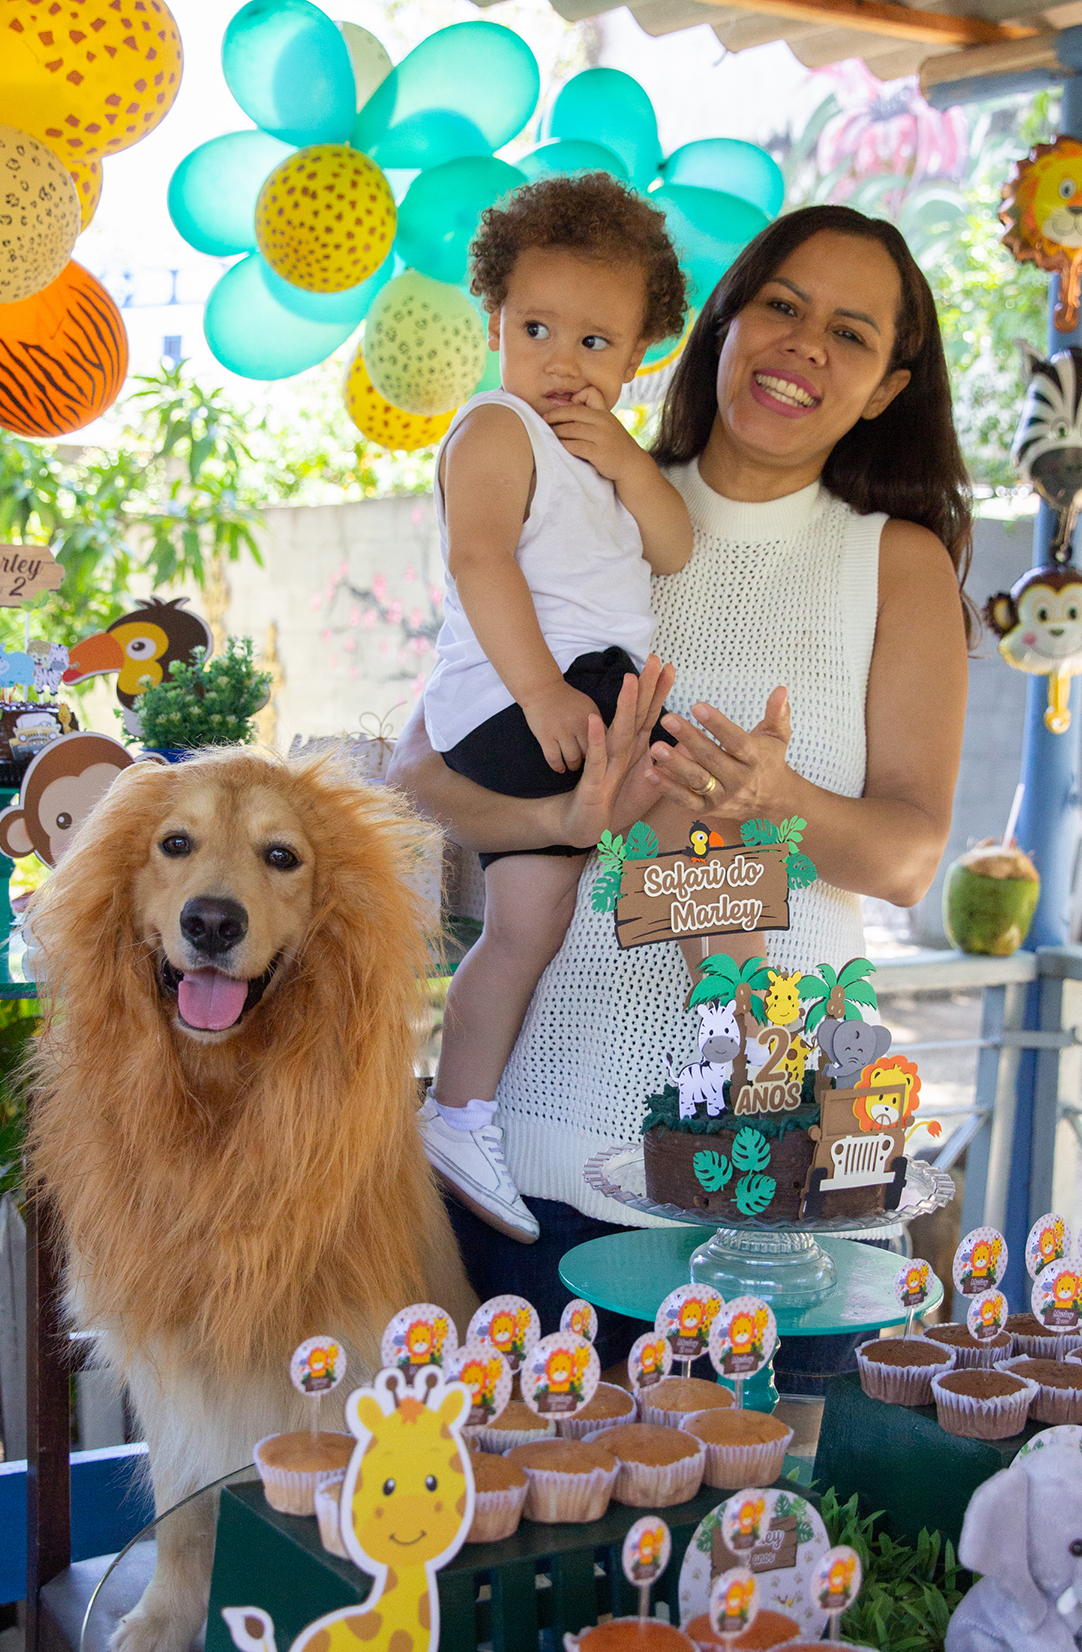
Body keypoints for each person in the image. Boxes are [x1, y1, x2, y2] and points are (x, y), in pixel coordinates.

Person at [393, 204, 971, 1363]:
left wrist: (778, 799)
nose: (806, 345)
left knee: (764, 1533)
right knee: (537, 1530)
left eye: (851, 334)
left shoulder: (895, 563)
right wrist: (560, 818)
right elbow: (418, 780)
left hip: (777, 1177)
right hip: (538, 1162)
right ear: (717, 327)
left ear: (887, 386)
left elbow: (910, 860)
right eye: (783, 306)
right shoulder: (572, 497)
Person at [417, 175, 691, 1246]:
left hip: (564, 699)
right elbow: (478, 555)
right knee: (677, 784)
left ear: (637, 359)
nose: (561, 363)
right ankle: (721, 1007)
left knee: (525, 926)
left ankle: (458, 1109)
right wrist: (537, 689)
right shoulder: (497, 428)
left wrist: (626, 459)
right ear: (496, 322)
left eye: (593, 343)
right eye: (535, 330)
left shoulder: (598, 456)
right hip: (529, 700)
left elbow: (673, 546)